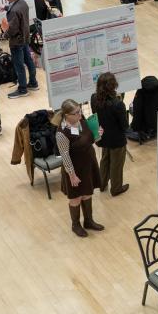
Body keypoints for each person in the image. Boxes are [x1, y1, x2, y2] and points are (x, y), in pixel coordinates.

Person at [51, 99, 104, 237]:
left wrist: (98, 134)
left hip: (88, 163)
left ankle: (88, 221)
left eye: (80, 111)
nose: (80, 115)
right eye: (76, 113)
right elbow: (65, 156)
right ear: (66, 115)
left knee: (87, 193)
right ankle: (76, 225)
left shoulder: (80, 120)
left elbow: (90, 139)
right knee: (76, 198)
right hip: (75, 168)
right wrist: (72, 175)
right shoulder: (61, 133)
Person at [90, 72, 129, 196]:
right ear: (113, 85)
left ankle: (102, 184)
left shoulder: (93, 98)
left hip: (102, 136)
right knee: (116, 164)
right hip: (117, 139)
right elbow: (124, 125)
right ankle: (116, 188)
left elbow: (95, 116)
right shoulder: (118, 104)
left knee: (105, 159)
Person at [2, 0, 38, 98]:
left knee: (19, 66)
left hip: (17, 41)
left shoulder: (13, 11)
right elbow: (17, 9)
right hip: (25, 38)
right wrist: (5, 7)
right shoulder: (23, 3)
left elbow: (12, 29)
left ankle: (22, 89)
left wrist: (4, 35)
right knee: (28, 61)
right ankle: (33, 83)